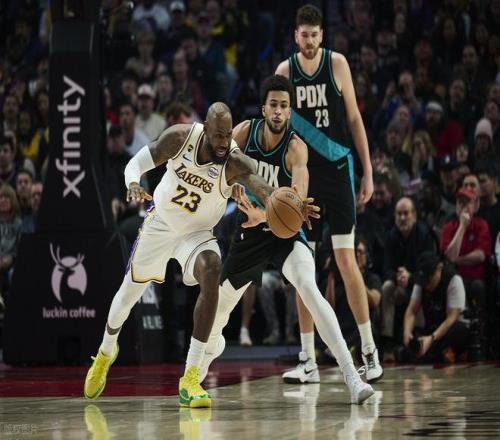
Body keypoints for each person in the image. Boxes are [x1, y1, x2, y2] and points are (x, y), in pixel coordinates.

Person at [83, 102, 318, 408]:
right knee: (127, 296)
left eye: (227, 136)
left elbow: (264, 189)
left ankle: (191, 377)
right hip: (161, 224)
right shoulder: (180, 138)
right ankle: (105, 352)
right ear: (205, 129)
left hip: (196, 235)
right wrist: (133, 183)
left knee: (212, 267)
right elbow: (135, 164)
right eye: (218, 135)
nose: (224, 142)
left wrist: (292, 204)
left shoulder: (234, 161)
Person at [199, 75, 374, 404]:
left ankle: (353, 377)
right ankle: (197, 371)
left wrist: (265, 214)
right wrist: (229, 186)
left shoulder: (296, 148)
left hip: (285, 232)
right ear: (263, 108)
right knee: (219, 307)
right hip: (249, 232)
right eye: (273, 105)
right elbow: (218, 166)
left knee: (309, 288)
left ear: (290, 111)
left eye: (284, 106)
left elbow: (296, 203)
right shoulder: (243, 133)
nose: (278, 111)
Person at [275, 4, 383, 382]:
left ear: (322, 35)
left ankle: (369, 351)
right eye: (303, 35)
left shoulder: (337, 64)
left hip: (338, 171)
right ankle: (308, 360)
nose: (309, 41)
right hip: (304, 175)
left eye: (314, 35)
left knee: (346, 261)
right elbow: (278, 127)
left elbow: (353, 118)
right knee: (303, 268)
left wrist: (368, 172)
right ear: (296, 36)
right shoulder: (284, 72)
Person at [403, 252, 469, 363]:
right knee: (408, 333)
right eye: (424, 281)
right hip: (432, 328)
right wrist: (407, 333)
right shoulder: (421, 282)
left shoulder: (453, 280)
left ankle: (440, 353)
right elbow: (411, 311)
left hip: (449, 328)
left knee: (459, 330)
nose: (426, 285)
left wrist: (431, 338)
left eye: (429, 280)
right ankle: (434, 354)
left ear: (439, 269)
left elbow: (451, 318)